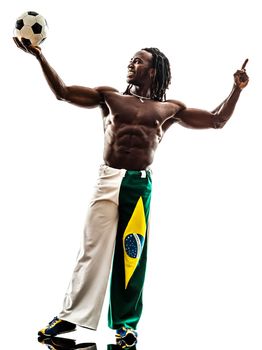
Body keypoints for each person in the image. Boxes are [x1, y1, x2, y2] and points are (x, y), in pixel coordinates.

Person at [13, 38, 249, 347]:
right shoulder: (109, 98)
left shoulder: (169, 109)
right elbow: (63, 92)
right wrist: (40, 57)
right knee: (92, 249)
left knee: (131, 256)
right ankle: (70, 317)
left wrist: (236, 90)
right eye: (131, 60)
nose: (131, 64)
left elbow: (217, 120)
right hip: (107, 178)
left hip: (138, 185)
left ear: (153, 72)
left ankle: (126, 327)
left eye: (138, 62)